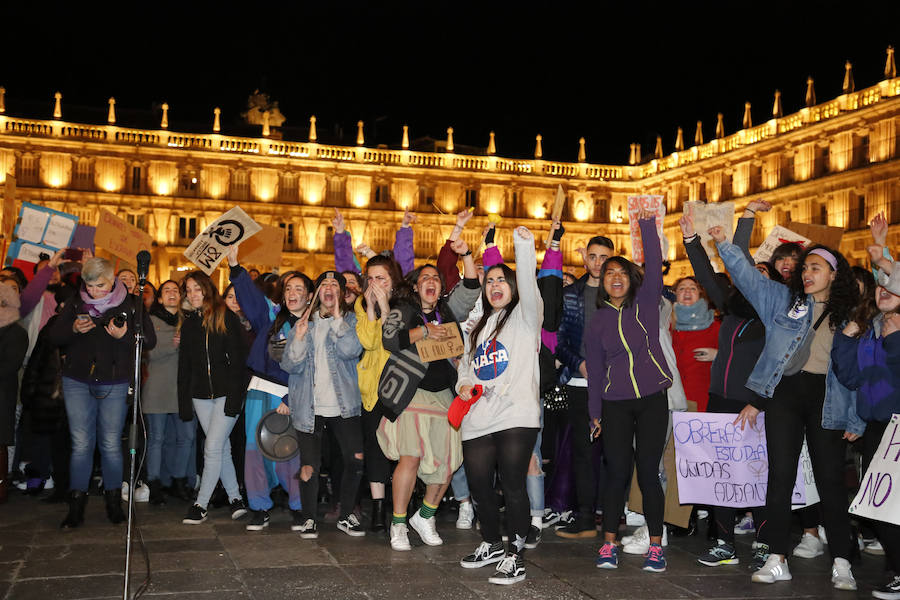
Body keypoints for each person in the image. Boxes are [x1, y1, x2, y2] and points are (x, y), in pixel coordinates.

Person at [708, 225, 864, 591]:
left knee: (830, 480)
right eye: (804, 268)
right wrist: (724, 244)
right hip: (785, 395)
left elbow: (857, 371)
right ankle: (778, 558)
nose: (806, 273)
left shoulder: (852, 313)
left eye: (814, 268)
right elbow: (748, 279)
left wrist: (855, 416)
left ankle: (842, 561)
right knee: (779, 476)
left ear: (833, 274)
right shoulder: (784, 302)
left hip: (828, 399)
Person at [680, 205, 773, 570]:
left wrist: (757, 400)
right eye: (750, 271)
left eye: (761, 273)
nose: (752, 276)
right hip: (720, 400)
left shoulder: (774, 316)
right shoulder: (730, 308)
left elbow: (775, 364)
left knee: (755, 473)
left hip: (754, 404)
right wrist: (691, 239)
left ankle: (765, 542)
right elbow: (707, 270)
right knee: (722, 472)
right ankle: (724, 541)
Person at [377, 239, 479, 551]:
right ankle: (398, 524)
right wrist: (424, 332)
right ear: (416, 287)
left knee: (449, 461)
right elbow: (389, 340)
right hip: (411, 392)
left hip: (444, 393)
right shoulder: (403, 311)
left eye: (436, 278)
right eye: (425, 279)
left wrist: (467, 255)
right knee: (411, 455)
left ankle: (425, 516)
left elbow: (473, 286)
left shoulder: (448, 310)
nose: (431, 282)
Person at [455, 225, 542, 585]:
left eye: (501, 280)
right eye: (489, 281)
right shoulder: (479, 326)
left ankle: (515, 553)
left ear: (513, 286)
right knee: (478, 484)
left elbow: (528, 277)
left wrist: (524, 245)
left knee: (512, 483)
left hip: (516, 414)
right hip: (478, 416)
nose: (494, 286)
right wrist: (463, 384)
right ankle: (491, 542)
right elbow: (467, 365)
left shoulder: (526, 316)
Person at [586, 210, 673, 573]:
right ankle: (609, 544)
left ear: (631, 280)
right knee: (618, 472)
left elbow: (653, 263)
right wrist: (595, 413)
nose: (616, 278)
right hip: (615, 403)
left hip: (653, 399)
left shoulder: (646, 304)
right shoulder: (598, 321)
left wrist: (647, 225)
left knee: (648, 472)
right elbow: (593, 372)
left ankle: (655, 546)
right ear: (603, 282)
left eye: (621, 272)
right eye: (609, 273)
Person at [48, 257, 156, 527]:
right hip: (77, 380)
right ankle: (76, 507)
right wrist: (73, 328)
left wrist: (125, 336)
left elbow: (149, 341)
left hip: (115, 381)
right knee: (81, 444)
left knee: (109, 444)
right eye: (90, 285)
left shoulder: (131, 303)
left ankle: (113, 504)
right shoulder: (75, 302)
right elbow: (54, 337)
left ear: (113, 279)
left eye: (100, 285)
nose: (94, 291)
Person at [833, 247, 900, 600]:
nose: (883, 290)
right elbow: (851, 377)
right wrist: (846, 338)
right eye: (880, 285)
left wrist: (895, 340)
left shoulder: (893, 330)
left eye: (892, 284)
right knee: (877, 507)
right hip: (878, 428)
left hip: (899, 424)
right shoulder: (871, 329)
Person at [225, 246, 309, 532]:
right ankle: (259, 506)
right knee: (253, 449)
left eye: (299, 288)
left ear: (309, 296)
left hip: (292, 396)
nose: (292, 292)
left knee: (290, 451)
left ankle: (298, 506)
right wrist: (235, 265)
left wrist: (290, 396)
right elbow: (250, 298)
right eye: (289, 288)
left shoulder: (314, 327)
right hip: (259, 391)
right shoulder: (271, 318)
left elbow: (313, 369)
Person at [280, 271, 365, 538]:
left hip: (344, 405)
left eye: (334, 285)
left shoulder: (351, 320)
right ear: (316, 293)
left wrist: (339, 318)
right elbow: (290, 364)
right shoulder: (305, 323)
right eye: (324, 285)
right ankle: (308, 518)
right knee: (309, 466)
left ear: (341, 293)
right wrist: (300, 337)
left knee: (355, 459)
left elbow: (351, 350)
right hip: (309, 407)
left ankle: (347, 513)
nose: (329, 288)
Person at [553, 234, 615, 537]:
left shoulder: (621, 294)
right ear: (585, 258)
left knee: (615, 453)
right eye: (593, 256)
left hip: (616, 385)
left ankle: (613, 518)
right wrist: (579, 364)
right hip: (579, 384)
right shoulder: (571, 295)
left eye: (605, 258)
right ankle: (587, 517)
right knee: (583, 452)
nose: (598, 263)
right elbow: (559, 342)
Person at [178, 271, 248, 525]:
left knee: (211, 447)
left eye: (197, 289)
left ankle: (201, 503)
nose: (193, 294)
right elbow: (184, 366)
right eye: (189, 290)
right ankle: (235, 499)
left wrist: (234, 398)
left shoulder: (225, 317)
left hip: (226, 394)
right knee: (221, 448)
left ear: (207, 289)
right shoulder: (189, 324)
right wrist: (184, 401)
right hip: (200, 396)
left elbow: (239, 362)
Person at [356, 254, 408, 531]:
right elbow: (369, 340)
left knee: (401, 447)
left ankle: (402, 504)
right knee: (374, 447)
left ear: (392, 281)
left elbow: (393, 341)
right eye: (371, 278)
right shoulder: (361, 305)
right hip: (371, 388)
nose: (375, 283)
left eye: (381, 278)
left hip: (399, 386)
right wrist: (372, 309)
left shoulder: (404, 305)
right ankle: (377, 508)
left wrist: (386, 308)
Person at [143, 280, 195, 505]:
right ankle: (154, 483)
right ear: (160, 298)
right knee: (156, 438)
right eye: (167, 291)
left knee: (186, 437)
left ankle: (179, 480)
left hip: (183, 390)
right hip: (157, 388)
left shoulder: (190, 321)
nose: (172, 294)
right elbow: (148, 353)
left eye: (176, 290)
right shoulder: (150, 321)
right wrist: (173, 346)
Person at [669, 275, 720, 412]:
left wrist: (718, 355)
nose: (687, 291)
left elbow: (737, 358)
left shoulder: (715, 327)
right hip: (670, 400)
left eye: (693, 288)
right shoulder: (666, 326)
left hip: (702, 399)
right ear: (675, 294)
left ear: (701, 295)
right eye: (682, 289)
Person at [0, 280, 29, 504]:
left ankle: (3, 483)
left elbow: (9, 366)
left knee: (2, 442)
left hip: (3, 395)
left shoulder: (16, 333)